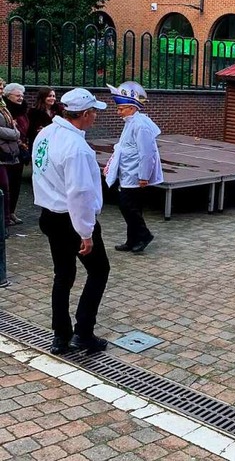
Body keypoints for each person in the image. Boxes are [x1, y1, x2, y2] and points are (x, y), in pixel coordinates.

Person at [32, 88, 110, 355]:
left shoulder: (45, 134)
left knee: (63, 275)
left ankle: (61, 336)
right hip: (71, 219)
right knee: (99, 271)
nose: (95, 118)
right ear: (85, 114)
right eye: (94, 113)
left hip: (50, 213)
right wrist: (86, 232)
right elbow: (79, 194)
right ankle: (83, 333)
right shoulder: (77, 148)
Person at [104, 82, 163, 254]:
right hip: (128, 172)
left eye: (121, 108)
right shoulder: (131, 122)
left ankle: (144, 235)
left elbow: (147, 153)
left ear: (131, 108)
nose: (118, 112)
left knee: (128, 207)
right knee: (131, 207)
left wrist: (144, 176)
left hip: (135, 175)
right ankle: (132, 240)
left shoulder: (140, 125)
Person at [3, 83, 30, 226]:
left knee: (16, 183)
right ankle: (5, 213)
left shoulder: (23, 110)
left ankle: (12, 211)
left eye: (22, 95)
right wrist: (16, 134)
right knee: (6, 184)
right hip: (7, 151)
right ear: (8, 96)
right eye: (17, 95)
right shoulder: (5, 110)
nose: (21, 98)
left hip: (20, 151)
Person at [0, 79, 20, 237]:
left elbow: (13, 125)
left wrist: (14, 131)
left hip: (6, 152)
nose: (1, 90)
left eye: (2, 88)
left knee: (6, 189)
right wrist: (14, 133)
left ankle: (4, 223)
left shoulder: (3, 107)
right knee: (4, 187)